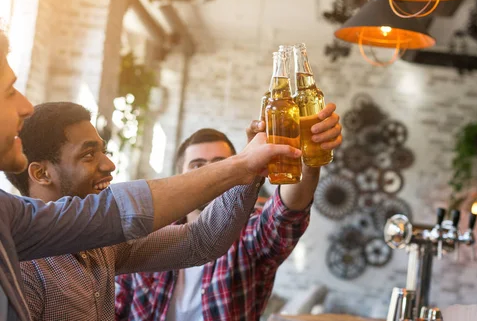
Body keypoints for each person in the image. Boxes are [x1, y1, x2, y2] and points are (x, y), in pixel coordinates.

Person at [0, 30, 300, 321]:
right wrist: (242, 165)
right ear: (41, 173)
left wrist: (251, 169)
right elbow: (127, 209)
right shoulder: (22, 267)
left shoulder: (101, 244)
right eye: (88, 155)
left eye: (103, 151)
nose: (109, 166)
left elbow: (201, 241)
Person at [114, 110, 343, 320]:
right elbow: (117, 307)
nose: (209, 173)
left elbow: (286, 214)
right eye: (197, 166)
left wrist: (310, 163)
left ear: (237, 170)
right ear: (180, 175)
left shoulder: (248, 234)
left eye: (219, 164)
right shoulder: (148, 236)